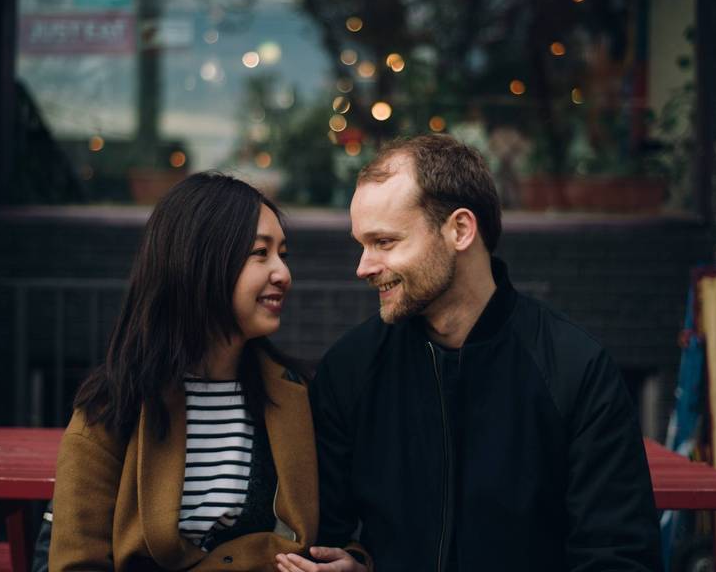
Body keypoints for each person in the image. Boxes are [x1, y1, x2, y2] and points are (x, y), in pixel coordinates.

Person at [277, 135, 662, 572]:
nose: (362, 267)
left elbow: (619, 556)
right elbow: (323, 535)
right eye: (361, 244)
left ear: (459, 230)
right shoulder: (351, 369)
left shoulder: (576, 369)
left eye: (384, 242)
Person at [50, 172, 320, 572]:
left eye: (283, 253)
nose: (283, 273)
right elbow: (77, 562)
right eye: (260, 253)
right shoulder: (115, 405)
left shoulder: (297, 395)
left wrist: (350, 560)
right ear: (201, 261)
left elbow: (341, 530)